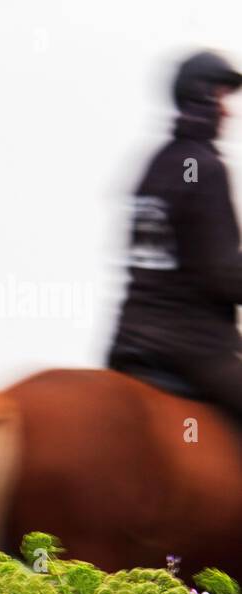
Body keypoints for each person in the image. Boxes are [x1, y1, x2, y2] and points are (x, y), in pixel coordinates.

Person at [108, 50, 242, 419]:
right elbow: (223, 274)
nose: (228, 111)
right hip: (190, 346)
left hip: (132, 338)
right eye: (221, 97)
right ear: (201, 96)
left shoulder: (159, 163)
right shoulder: (202, 168)